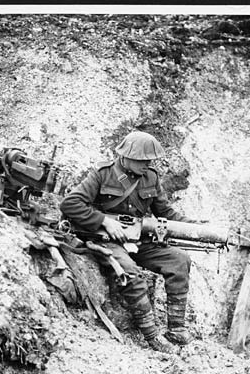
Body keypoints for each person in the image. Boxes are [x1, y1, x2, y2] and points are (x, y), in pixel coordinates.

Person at [60, 131, 198, 353]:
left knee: (179, 259)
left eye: (150, 161)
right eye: (143, 160)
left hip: (138, 240)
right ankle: (152, 336)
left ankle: (177, 329)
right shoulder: (102, 175)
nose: (147, 164)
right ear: (126, 157)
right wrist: (104, 221)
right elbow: (70, 204)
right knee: (129, 271)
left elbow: (165, 212)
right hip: (106, 240)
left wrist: (196, 227)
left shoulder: (151, 177)